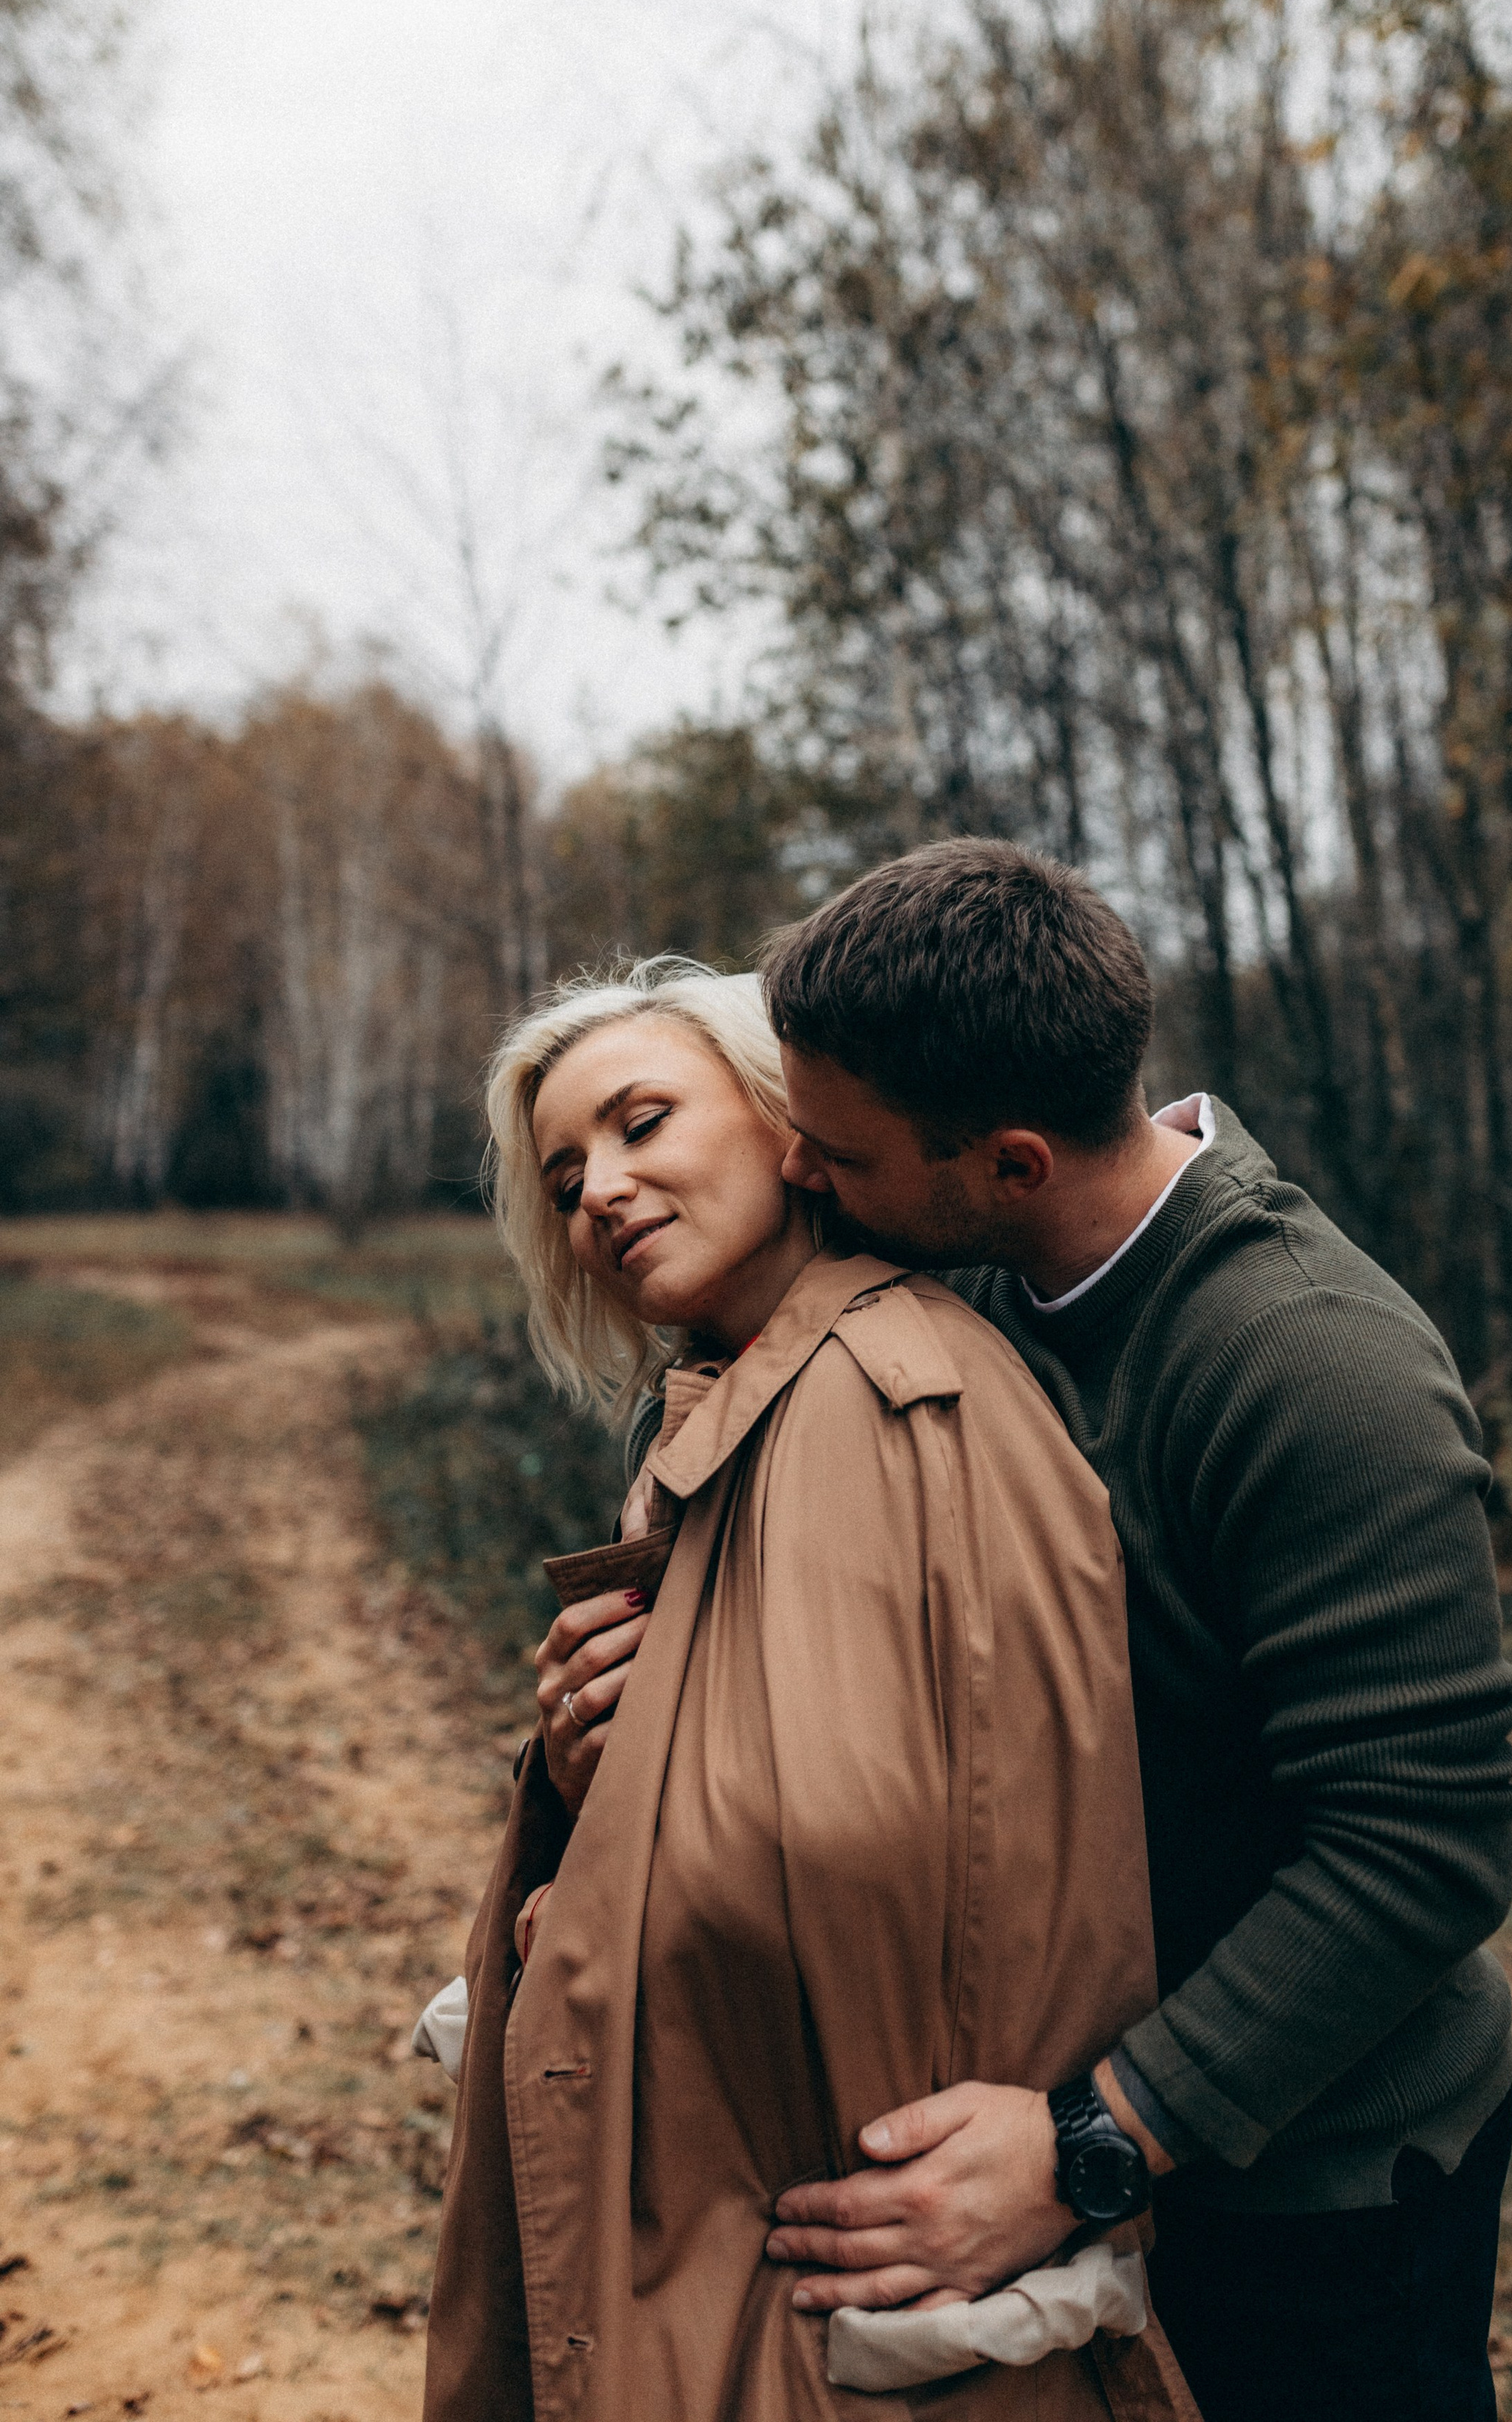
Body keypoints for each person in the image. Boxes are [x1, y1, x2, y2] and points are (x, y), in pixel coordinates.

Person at [757, 841, 1512, 2422]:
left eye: (837, 1151)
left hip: (1315, 2188)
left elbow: (1422, 1845)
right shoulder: (970, 1289)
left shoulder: (1310, 1368)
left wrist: (1094, 2141)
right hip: (1087, 2124)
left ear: (1012, 1163)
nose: (800, 1175)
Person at [422, 959, 1200, 2422]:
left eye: (643, 1121)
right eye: (568, 1171)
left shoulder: (882, 1390)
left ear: (784, 1120)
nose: (600, 1188)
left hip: (836, 2233)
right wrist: (596, 1775)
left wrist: (588, 1908)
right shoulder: (736, 1393)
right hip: (747, 2208)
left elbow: (884, 1856)